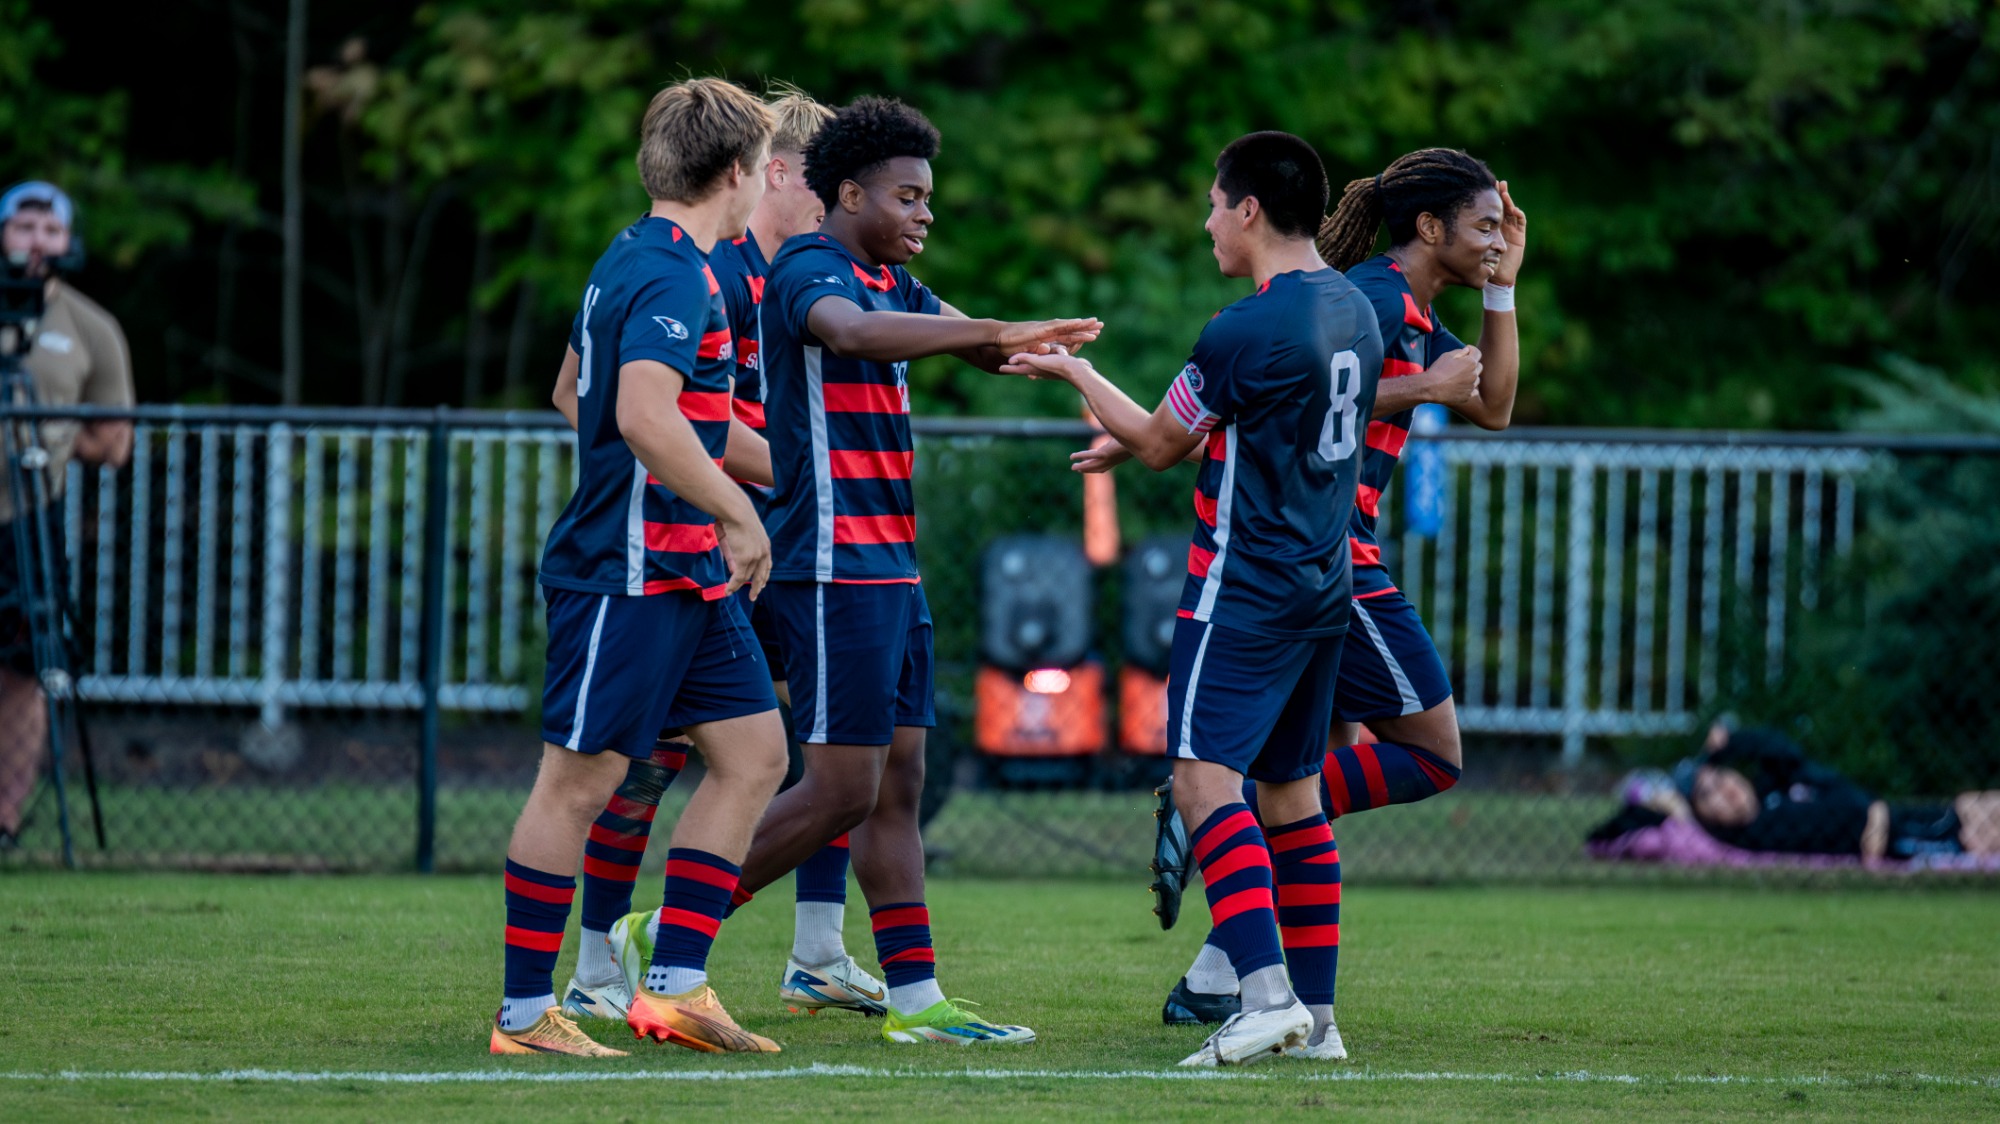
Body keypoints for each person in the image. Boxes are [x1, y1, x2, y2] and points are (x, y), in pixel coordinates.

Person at [1086, 147, 1529, 1032]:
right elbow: (1315, 387)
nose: (1495, 240)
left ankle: (1234, 952)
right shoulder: (1362, 296)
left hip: (1323, 560)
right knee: (1417, 755)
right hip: (1327, 554)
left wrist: (1502, 292)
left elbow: (1493, 403)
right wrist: (1421, 387)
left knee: (1284, 784)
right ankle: (1250, 948)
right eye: (1484, 226)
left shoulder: (1411, 307)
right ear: (1430, 228)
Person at [1005, 130, 1383, 1066]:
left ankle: (1261, 998)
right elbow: (1258, 434)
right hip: (1323, 587)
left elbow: (1165, 439)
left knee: (1202, 779)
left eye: (1217, 204)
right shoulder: (1355, 308)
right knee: (1293, 796)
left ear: (1249, 207)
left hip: (1242, 589)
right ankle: (1320, 1026)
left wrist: (1076, 372)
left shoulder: (1245, 325)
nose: (1210, 221)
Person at [741, 95, 1099, 1046]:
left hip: (891, 567)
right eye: (909, 196)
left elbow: (971, 337)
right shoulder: (809, 269)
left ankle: (916, 1001)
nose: (925, 213)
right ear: (848, 192)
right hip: (829, 565)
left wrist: (1025, 346)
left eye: (928, 198)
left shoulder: (889, 277)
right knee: (839, 791)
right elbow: (852, 334)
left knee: (897, 785)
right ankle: (674, 928)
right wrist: (991, 329)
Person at [553, 86, 887, 1024]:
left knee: (811, 747)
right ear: (769, 173)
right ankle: (595, 965)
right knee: (635, 767)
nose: (832, 211)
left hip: (766, 541)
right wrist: (717, 483)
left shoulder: (806, 270)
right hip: (687, 548)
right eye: (823, 189)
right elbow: (595, 395)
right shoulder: (704, 268)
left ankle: (811, 951)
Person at [489, 76, 790, 1059]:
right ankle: (527, 1014)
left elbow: (574, 390)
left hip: (681, 567)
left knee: (754, 755)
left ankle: (673, 986)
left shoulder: (635, 252)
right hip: (624, 570)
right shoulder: (673, 274)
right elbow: (637, 414)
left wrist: (747, 470)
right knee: (578, 783)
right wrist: (735, 509)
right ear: (738, 174)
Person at [0, 181, 135, 848]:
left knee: (25, 671)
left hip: (29, 521)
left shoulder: (91, 328)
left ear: (67, 242)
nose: (35, 243)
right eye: (22, 227)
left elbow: (114, 443)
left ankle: (4, 820)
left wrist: (45, 437)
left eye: (48, 231)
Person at [1677, 723, 2000, 860]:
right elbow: (1846, 819)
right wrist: (1870, 812)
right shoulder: (1756, 833)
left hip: (1896, 816)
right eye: (1708, 795)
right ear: (1705, 818)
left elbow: (1785, 752)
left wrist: (1728, 745)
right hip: (1896, 842)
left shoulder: (1772, 790)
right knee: (1978, 832)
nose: (1726, 788)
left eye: (1721, 778)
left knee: (1978, 804)